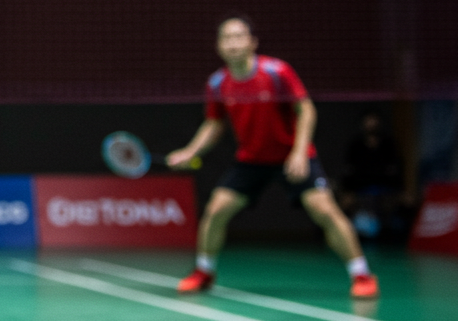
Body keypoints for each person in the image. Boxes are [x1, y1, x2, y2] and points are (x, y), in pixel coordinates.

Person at [167, 16, 377, 299]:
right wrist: (190, 151)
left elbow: (306, 110)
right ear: (218, 46)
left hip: (292, 155)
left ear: (253, 42)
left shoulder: (277, 72)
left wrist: (300, 152)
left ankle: (361, 274)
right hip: (251, 160)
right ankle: (204, 272)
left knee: (324, 210)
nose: (233, 43)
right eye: (227, 38)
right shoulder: (217, 83)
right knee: (216, 211)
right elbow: (214, 123)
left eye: (239, 36)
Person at [339, 109, 407, 241]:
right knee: (345, 203)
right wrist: (348, 191)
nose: (371, 124)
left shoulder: (388, 143)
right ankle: (347, 237)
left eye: (374, 120)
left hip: (385, 186)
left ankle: (396, 237)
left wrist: (399, 190)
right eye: (368, 121)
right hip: (360, 186)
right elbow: (349, 171)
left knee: (405, 201)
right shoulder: (356, 145)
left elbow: (394, 169)